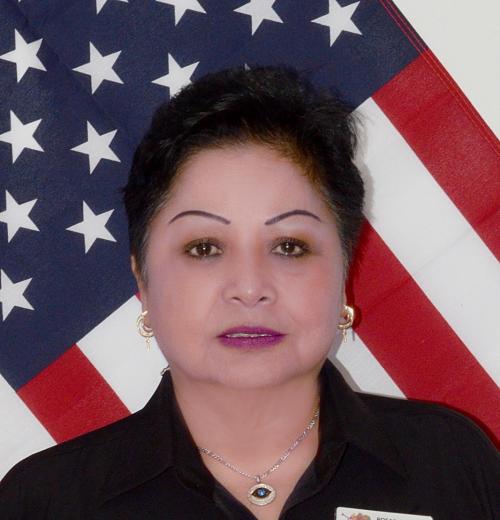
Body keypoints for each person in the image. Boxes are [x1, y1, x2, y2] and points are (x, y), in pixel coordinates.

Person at [0, 65, 498, 519]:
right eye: (204, 248)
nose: (250, 287)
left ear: (344, 270)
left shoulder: (451, 464)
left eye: (289, 246)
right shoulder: (44, 502)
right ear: (143, 282)